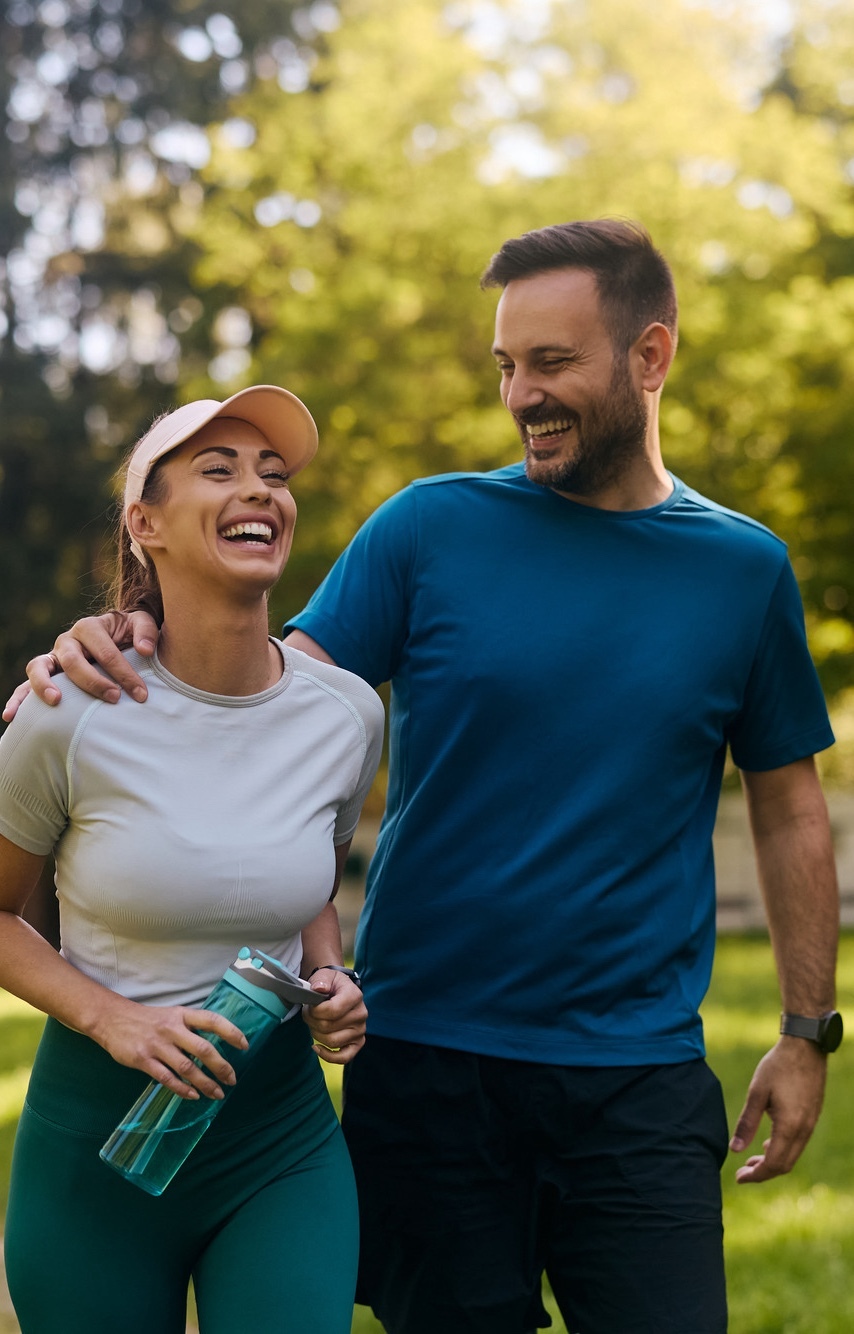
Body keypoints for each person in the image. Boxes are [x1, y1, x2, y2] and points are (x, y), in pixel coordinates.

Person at [7, 222, 842, 1334]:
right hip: (428, 1069)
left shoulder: (743, 570)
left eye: (552, 363)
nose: (521, 394)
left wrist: (804, 1028)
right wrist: (115, 634)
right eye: (506, 365)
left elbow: (787, 807)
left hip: (636, 1076)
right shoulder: (428, 529)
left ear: (649, 357)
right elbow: (248, 713)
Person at [0, 385, 384, 1334]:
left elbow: (307, 882)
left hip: (278, 1142)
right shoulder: (69, 714)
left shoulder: (346, 716)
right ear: (145, 524)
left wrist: (330, 972)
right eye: (218, 471)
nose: (259, 490)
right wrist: (115, 1020)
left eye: (274, 474)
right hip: (96, 1147)